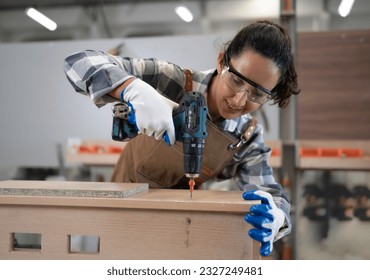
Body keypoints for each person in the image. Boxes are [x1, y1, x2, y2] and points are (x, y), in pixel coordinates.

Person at [63, 20, 300, 257]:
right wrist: (132, 89)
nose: (239, 100)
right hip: (122, 218)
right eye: (236, 79)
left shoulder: (245, 134)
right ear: (221, 62)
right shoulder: (172, 81)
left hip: (179, 232)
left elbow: (272, 195)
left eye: (257, 93)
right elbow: (78, 62)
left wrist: (277, 217)